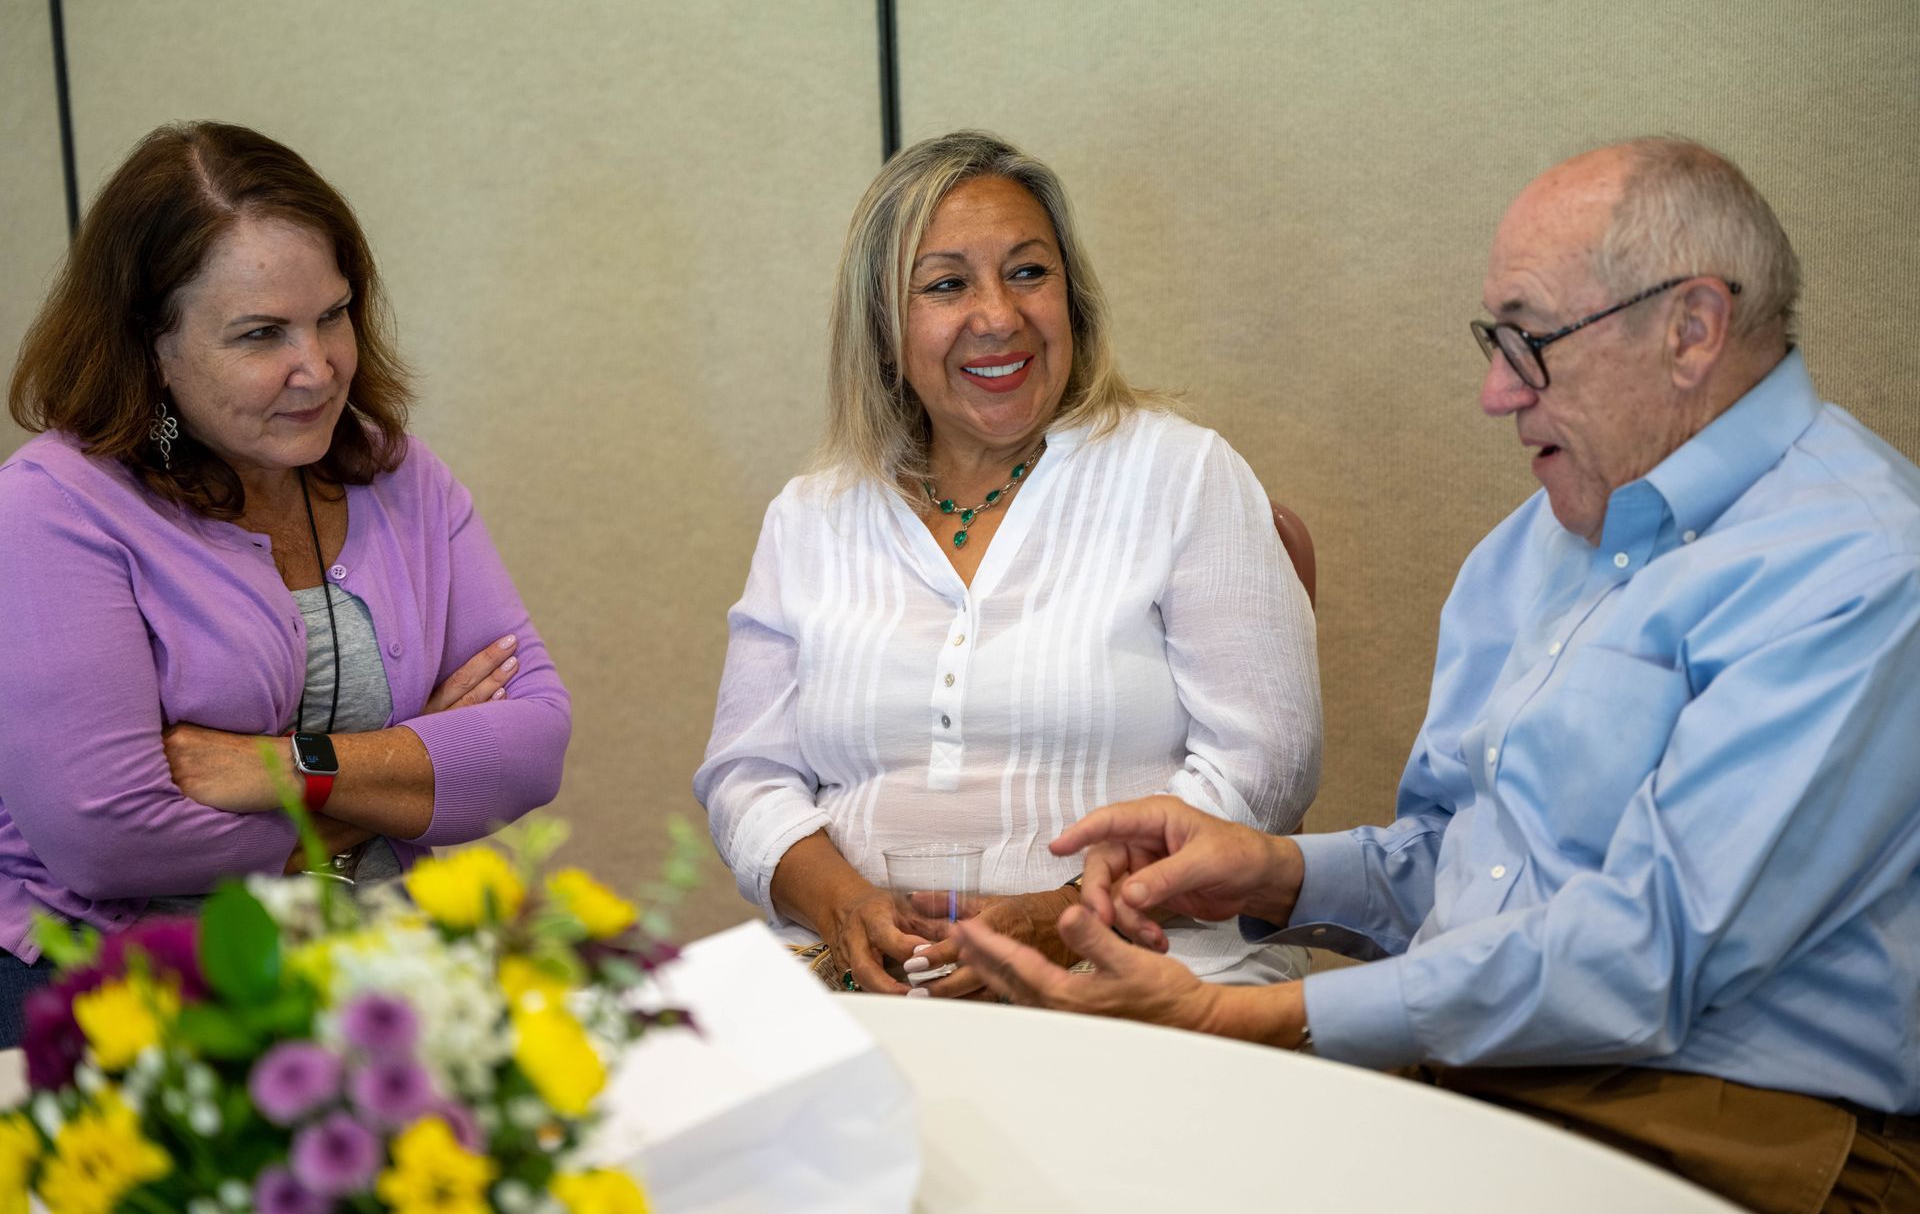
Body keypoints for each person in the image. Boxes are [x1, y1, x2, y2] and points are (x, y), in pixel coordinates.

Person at [956, 138, 1920, 1211]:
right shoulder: (1531, 549)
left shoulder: (1858, 568)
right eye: (1491, 340)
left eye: (1528, 340)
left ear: (1691, 329)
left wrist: (1254, 1019)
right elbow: (1466, 871)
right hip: (1485, 1079)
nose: (1494, 392)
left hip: (1737, 1127)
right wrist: (1273, 872)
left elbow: (1647, 954)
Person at [695, 130, 1320, 999]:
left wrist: (1061, 920)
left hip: (1140, 965)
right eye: (947, 285)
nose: (999, 315)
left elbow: (1266, 765)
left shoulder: (1182, 474)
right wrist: (847, 909)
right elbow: (747, 775)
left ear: (1074, 298)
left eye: (1028, 272)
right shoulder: (813, 514)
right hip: (853, 973)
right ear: (884, 330)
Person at [0, 123, 571, 1044]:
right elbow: (107, 839)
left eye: (334, 315)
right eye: (262, 334)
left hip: (380, 969)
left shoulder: (395, 473)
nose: (319, 368)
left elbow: (532, 742)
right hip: (136, 997)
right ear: (152, 348)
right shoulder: (54, 511)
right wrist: (402, 769)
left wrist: (278, 769)